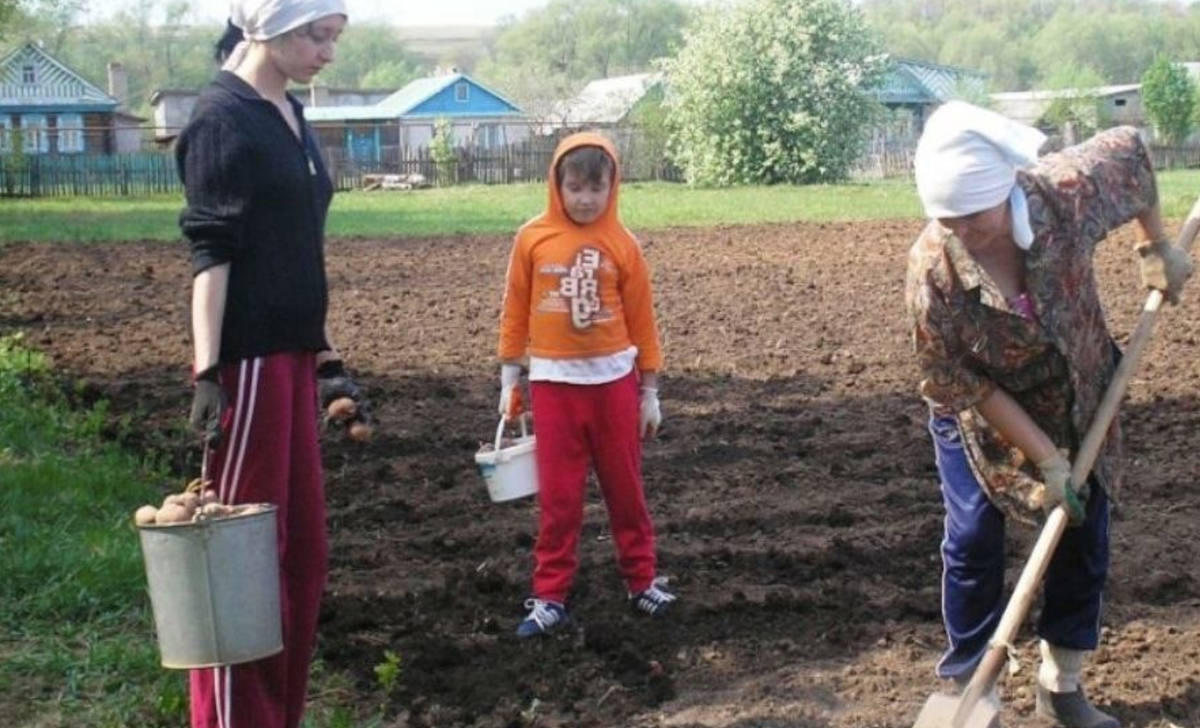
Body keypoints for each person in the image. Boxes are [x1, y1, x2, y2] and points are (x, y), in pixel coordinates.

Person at [906, 101, 1192, 728]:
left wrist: (1156, 244)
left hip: (1080, 385)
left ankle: (1061, 684)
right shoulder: (934, 269)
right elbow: (956, 380)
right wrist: (1046, 457)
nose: (963, 232)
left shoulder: (1062, 195)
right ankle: (966, 684)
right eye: (946, 219)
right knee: (973, 537)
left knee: (1084, 531)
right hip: (982, 408)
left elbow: (1134, 155)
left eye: (973, 216)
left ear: (1004, 187)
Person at [177, 2, 369, 727]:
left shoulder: (289, 111)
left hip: (291, 357)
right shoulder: (221, 119)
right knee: (243, 564)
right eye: (315, 36)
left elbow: (295, 253)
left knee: (303, 556)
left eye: (333, 37)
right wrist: (207, 370)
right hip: (248, 366)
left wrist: (327, 358)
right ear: (263, 27)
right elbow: (212, 255)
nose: (327, 52)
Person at [496, 132, 675, 638]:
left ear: (612, 187)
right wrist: (511, 377)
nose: (585, 199)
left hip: (615, 386)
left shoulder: (624, 245)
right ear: (557, 184)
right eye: (575, 188)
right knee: (559, 497)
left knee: (625, 490)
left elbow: (643, 323)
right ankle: (550, 595)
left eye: (596, 189)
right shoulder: (532, 239)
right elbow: (515, 310)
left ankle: (641, 581)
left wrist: (650, 392)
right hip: (553, 387)